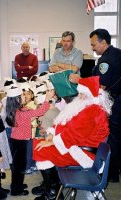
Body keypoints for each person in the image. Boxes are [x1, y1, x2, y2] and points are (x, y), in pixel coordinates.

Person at [33, 76, 112, 200]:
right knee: (38, 145)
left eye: (82, 94)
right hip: (75, 146)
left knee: (41, 150)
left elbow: (75, 135)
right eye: (79, 93)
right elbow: (65, 123)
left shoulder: (93, 110)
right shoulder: (86, 107)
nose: (79, 97)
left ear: (90, 95)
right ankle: (51, 189)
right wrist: (51, 133)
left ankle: (52, 194)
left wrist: (53, 142)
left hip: (84, 153)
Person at [70, 29, 121, 182]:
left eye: (93, 45)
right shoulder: (117, 53)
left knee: (112, 139)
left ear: (103, 42)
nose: (92, 48)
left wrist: (80, 80)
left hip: (114, 104)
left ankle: (111, 175)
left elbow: (101, 86)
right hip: (117, 101)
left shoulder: (106, 60)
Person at [5, 86, 54, 196]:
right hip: (20, 143)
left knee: (17, 167)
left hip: (16, 142)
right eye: (22, 95)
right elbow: (41, 111)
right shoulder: (22, 113)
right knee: (19, 168)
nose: (24, 96)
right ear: (17, 99)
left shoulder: (16, 111)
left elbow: (28, 118)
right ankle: (16, 190)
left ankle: (18, 185)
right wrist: (47, 98)